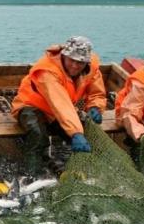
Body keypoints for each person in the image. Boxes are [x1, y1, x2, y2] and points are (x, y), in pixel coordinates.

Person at [11, 36, 107, 174]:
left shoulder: (91, 68)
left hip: (61, 111)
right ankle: (31, 176)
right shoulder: (47, 71)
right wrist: (76, 133)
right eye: (71, 60)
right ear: (64, 56)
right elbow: (60, 104)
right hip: (30, 106)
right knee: (37, 135)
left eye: (80, 62)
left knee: (88, 132)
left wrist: (95, 107)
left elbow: (97, 93)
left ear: (87, 62)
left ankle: (84, 171)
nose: (75, 66)